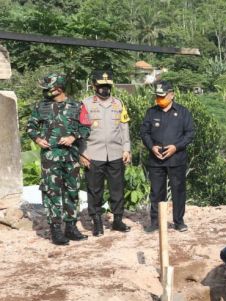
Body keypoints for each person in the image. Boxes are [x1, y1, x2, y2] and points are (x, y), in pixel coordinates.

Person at [27, 73, 90, 245]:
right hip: (50, 157)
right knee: (51, 192)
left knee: (72, 191)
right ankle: (55, 230)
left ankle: (71, 227)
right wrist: (38, 139)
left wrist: (73, 137)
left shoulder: (78, 105)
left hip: (71, 157)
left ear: (60, 88)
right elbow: (30, 126)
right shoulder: (42, 106)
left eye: (51, 88)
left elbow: (86, 128)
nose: (48, 91)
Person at [79, 70, 131, 236]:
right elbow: (81, 131)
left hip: (116, 153)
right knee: (95, 190)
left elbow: (124, 128)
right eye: (101, 86)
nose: (104, 89)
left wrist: (127, 149)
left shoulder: (118, 103)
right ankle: (97, 222)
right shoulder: (86, 104)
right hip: (93, 154)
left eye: (107, 86)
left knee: (117, 188)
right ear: (94, 86)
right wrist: (83, 152)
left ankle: (117, 220)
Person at [140, 80, 195, 232]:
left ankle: (179, 221)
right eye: (157, 96)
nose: (159, 99)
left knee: (178, 191)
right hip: (156, 160)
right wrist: (152, 147)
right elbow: (144, 132)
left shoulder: (183, 112)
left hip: (176, 159)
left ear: (172, 95)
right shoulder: (151, 112)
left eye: (162, 96)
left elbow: (190, 133)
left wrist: (176, 147)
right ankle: (155, 222)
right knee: (157, 192)